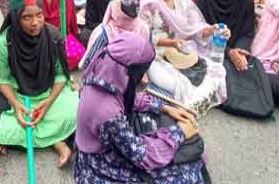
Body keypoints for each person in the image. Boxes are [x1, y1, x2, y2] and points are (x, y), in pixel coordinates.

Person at [75, 32, 205, 184]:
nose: (144, 78)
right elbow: (141, 156)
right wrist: (180, 132)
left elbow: (123, 96)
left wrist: (163, 107)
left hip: (105, 142)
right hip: (100, 163)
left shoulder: (101, 74)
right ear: (129, 71)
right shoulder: (108, 114)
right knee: (186, 175)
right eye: (141, 72)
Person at [0, 0, 78, 168]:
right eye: (27, 17)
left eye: (39, 15)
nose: (35, 23)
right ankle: (56, 139)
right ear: (15, 18)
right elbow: (2, 79)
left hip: (48, 92)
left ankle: (44, 138)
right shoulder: (2, 44)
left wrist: (49, 103)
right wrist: (16, 105)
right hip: (17, 93)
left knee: (77, 111)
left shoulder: (54, 37)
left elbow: (60, 74)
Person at [140, 0, 229, 112]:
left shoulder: (183, 0)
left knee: (216, 72)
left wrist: (212, 29)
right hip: (155, 54)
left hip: (183, 50)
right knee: (178, 85)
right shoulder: (147, 3)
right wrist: (170, 42)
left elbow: (196, 27)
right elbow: (143, 36)